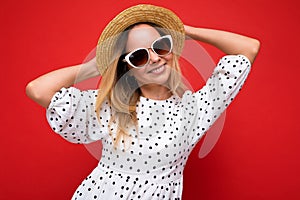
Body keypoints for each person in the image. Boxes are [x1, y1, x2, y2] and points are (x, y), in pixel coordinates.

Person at [26, 4, 260, 200]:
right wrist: (95, 66)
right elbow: (37, 89)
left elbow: (249, 48)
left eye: (161, 47)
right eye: (139, 55)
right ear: (128, 66)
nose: (156, 58)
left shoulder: (195, 111)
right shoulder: (109, 106)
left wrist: (184, 31)